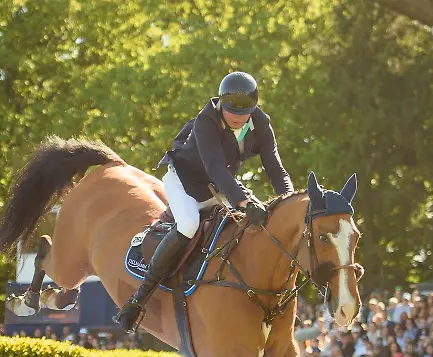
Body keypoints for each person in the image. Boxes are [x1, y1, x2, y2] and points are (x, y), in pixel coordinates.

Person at [114, 71, 297, 333]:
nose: (236, 117)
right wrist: (244, 203)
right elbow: (214, 167)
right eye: (230, 110)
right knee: (189, 224)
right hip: (185, 182)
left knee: (260, 224)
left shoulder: (261, 123)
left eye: (243, 112)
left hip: (219, 185)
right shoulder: (206, 120)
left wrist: (287, 201)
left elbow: (276, 170)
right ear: (221, 104)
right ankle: (138, 300)